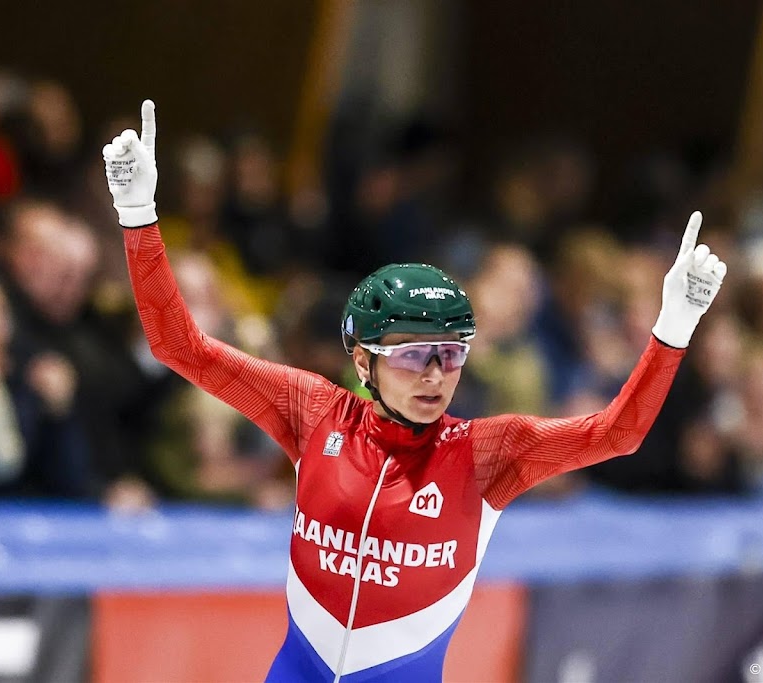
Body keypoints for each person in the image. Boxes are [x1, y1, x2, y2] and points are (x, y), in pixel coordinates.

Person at [103, 101, 728, 682]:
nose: (435, 374)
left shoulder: (487, 454)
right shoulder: (311, 411)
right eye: (411, 355)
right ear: (363, 360)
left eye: (450, 354)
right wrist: (139, 217)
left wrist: (671, 330)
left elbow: (618, 433)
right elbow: (177, 346)